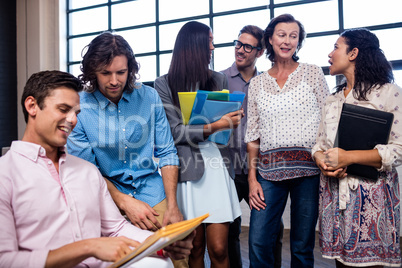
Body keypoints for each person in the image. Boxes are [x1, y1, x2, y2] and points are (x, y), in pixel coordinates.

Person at [0, 70, 194, 268]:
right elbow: (4, 260)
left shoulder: (88, 172)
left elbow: (116, 228)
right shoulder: (5, 175)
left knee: (161, 263)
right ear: (32, 106)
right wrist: (89, 247)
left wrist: (162, 244)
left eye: (76, 112)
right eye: (63, 109)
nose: (73, 120)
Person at [67, 32, 183, 233]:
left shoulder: (149, 96)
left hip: (152, 192)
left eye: (120, 72)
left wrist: (173, 206)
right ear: (93, 72)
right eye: (105, 73)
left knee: (176, 255)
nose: (114, 81)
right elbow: (87, 172)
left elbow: (167, 153)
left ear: (130, 69)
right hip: (105, 197)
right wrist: (125, 202)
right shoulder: (79, 107)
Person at [154, 21, 242, 268]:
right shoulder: (163, 84)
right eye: (209, 41)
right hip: (186, 171)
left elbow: (222, 126)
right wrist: (213, 126)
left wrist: (230, 121)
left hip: (215, 166)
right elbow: (174, 133)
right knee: (194, 250)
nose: (213, 47)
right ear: (195, 46)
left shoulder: (218, 79)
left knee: (219, 248)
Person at [245, 14, 330, 267]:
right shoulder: (258, 83)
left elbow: (329, 120)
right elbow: (253, 136)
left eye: (294, 36)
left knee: (302, 246)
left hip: (309, 172)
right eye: (282, 35)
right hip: (268, 174)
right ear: (270, 39)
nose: (287, 41)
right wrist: (252, 180)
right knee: (258, 241)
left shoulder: (312, 73)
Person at [312, 28, 402, 268]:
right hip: (334, 196)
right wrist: (323, 161)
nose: (330, 54)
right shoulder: (331, 101)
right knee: (340, 264)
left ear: (353, 53)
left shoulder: (388, 93)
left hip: (372, 200)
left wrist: (347, 157)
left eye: (336, 47)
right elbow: (319, 145)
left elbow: (399, 148)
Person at [220, 25, 283, 268]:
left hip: (260, 170)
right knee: (229, 230)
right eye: (238, 43)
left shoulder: (268, 82)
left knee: (272, 229)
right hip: (227, 169)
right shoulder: (220, 80)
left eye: (247, 46)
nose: (240, 49)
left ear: (259, 52)